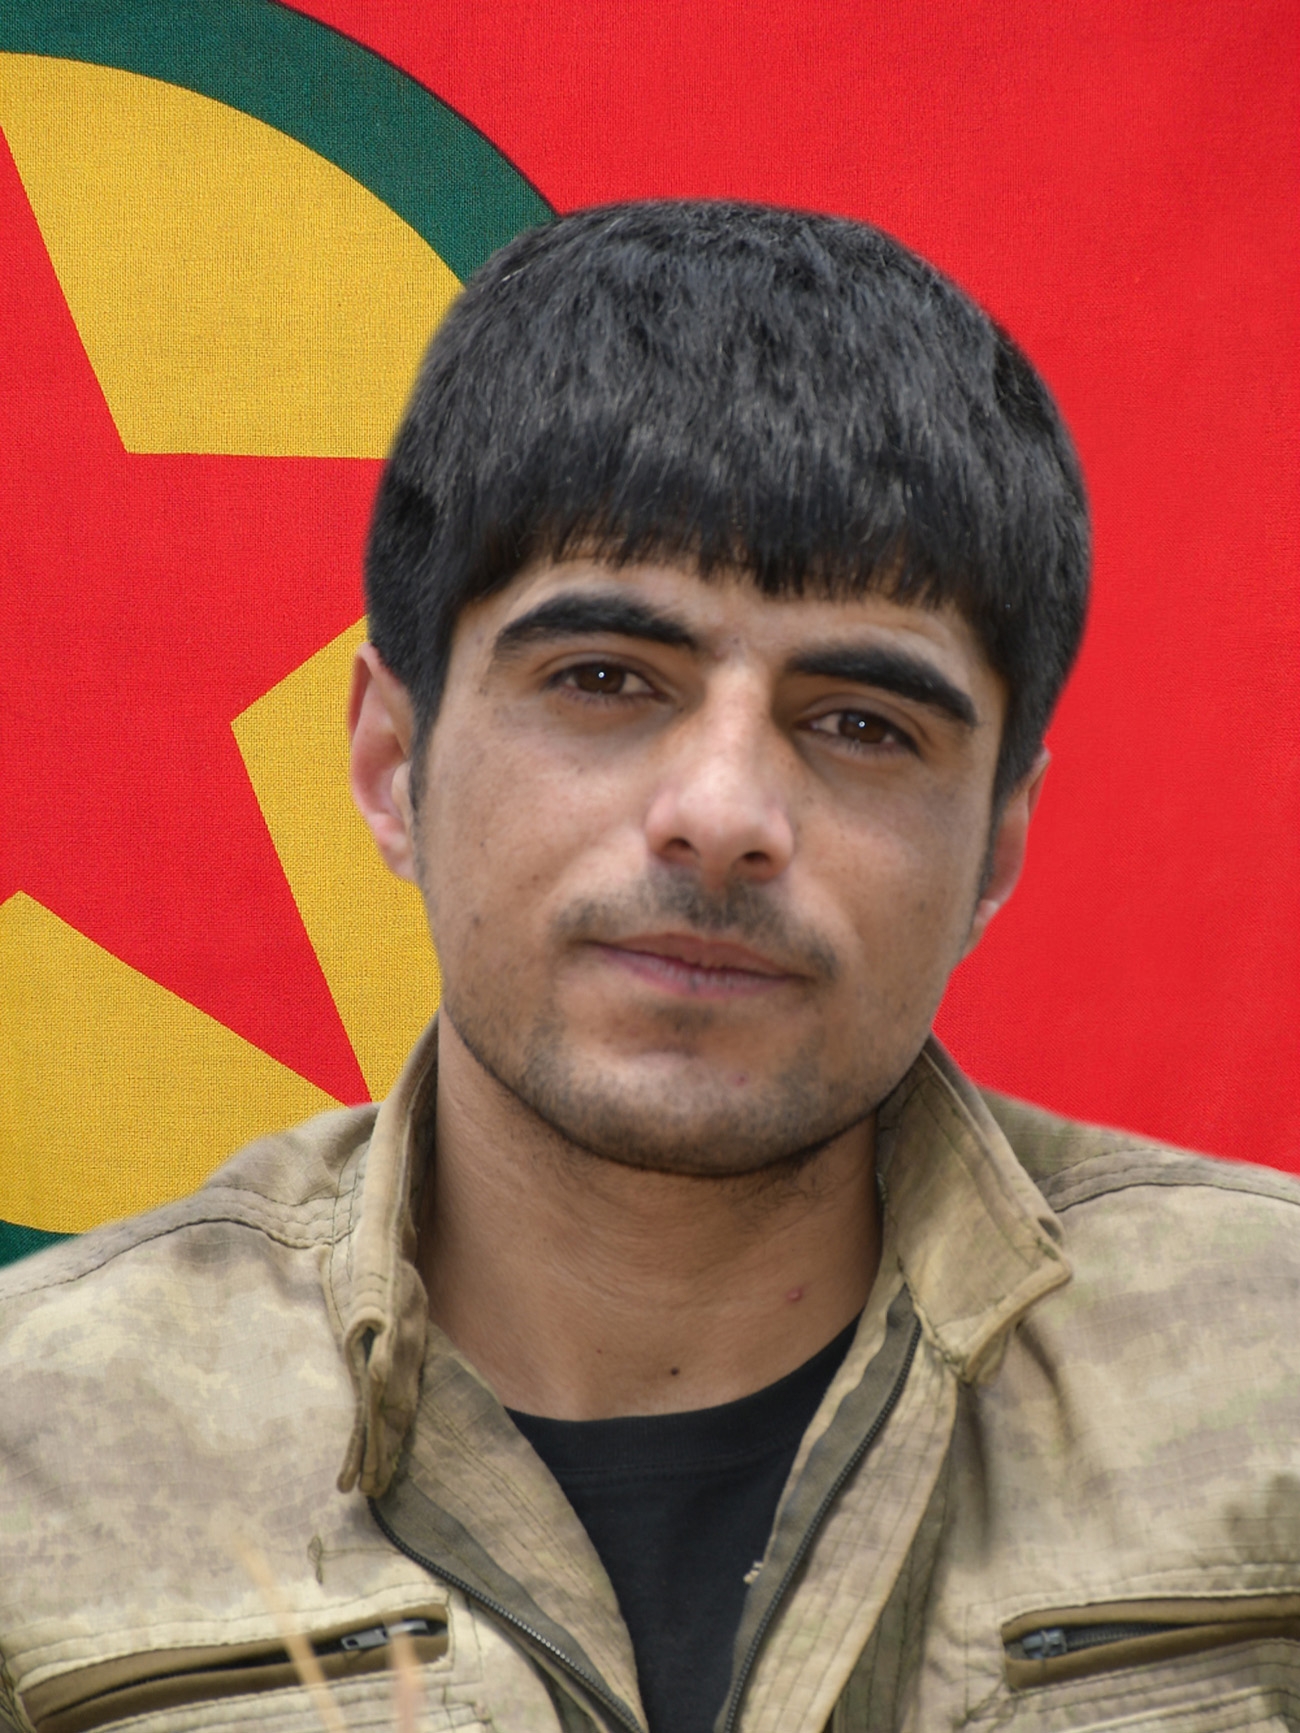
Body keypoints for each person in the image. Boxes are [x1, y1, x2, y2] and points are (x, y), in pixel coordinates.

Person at [1, 201, 1297, 1733]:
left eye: (862, 722)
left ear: (998, 846)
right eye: (606, 678)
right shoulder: (41, 1441)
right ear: (393, 761)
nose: (725, 815)